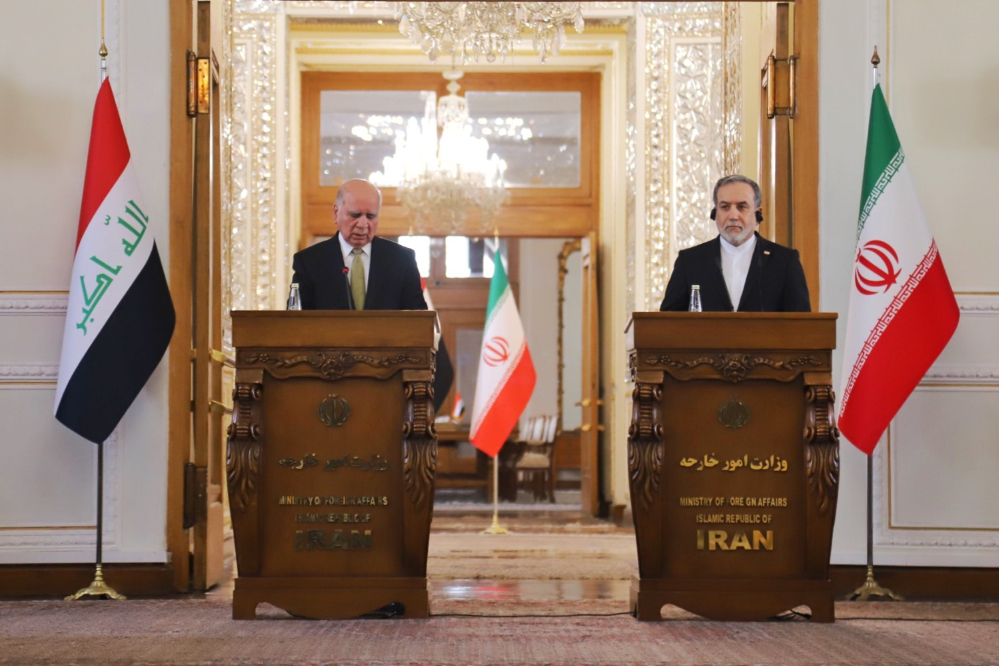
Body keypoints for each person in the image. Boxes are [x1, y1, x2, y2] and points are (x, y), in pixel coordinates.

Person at [659, 175, 811, 312]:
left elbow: (801, 324)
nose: (733, 216)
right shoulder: (690, 261)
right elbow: (669, 322)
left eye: (741, 207)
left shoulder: (784, 261)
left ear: (758, 214)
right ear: (715, 213)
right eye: (725, 207)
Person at [291, 178, 427, 311]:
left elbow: (419, 318)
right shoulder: (309, 262)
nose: (363, 225)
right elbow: (296, 320)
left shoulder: (402, 259)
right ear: (336, 212)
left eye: (371, 216)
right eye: (355, 215)